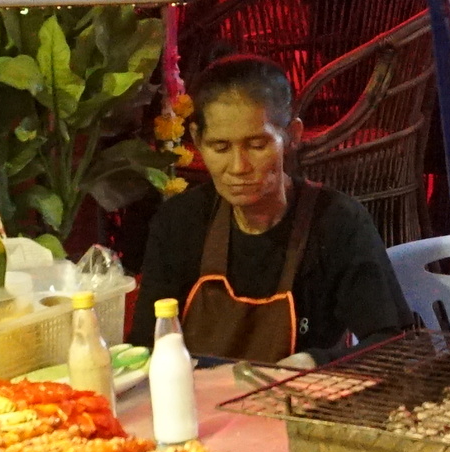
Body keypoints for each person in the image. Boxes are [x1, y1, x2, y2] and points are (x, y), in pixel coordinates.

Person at [137, 57, 409, 363]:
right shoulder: (180, 221)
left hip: (300, 403)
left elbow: (394, 343)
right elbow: (145, 347)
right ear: (198, 139)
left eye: (257, 145)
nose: (238, 167)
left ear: (291, 136)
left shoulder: (337, 222)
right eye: (220, 147)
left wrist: (316, 362)